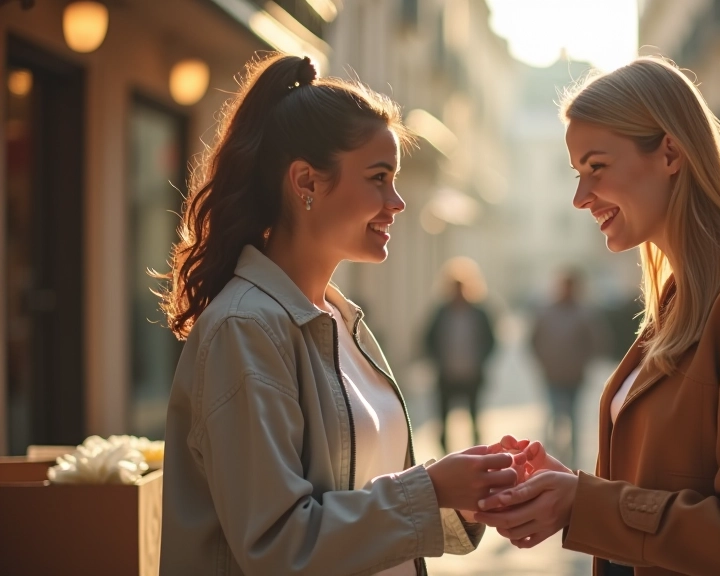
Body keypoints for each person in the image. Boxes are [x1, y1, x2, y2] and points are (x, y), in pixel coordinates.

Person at [476, 56, 720, 576]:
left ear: (670, 152)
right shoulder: (686, 298)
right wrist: (571, 490)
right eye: (577, 173)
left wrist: (584, 503)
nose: (581, 198)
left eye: (596, 167)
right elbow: (670, 488)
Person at [156, 54, 517, 576]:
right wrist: (431, 487)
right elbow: (279, 544)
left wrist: (460, 494)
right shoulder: (247, 329)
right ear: (305, 181)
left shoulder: (340, 322)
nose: (396, 201)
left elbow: (364, 495)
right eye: (378, 177)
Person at [531, 268, 605, 468]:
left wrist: (583, 363)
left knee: (573, 419)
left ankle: (572, 461)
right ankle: (550, 457)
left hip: (574, 376)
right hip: (552, 375)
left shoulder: (584, 313)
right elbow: (534, 341)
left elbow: (596, 342)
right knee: (554, 417)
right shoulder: (547, 312)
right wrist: (544, 362)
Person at [425, 276, 496, 453]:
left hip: (471, 375)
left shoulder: (478, 313)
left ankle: (477, 453)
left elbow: (491, 340)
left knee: (474, 417)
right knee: (443, 419)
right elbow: (427, 339)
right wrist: (438, 360)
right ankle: (445, 455)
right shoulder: (441, 313)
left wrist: (480, 360)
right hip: (447, 375)